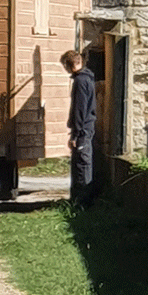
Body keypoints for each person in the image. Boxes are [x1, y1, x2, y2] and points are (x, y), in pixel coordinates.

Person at [60, 50, 96, 208]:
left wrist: (76, 134)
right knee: (82, 164)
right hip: (86, 127)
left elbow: (79, 110)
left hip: (83, 129)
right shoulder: (87, 79)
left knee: (82, 165)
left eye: (65, 66)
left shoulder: (81, 81)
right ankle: (79, 201)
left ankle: (83, 203)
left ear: (70, 65)